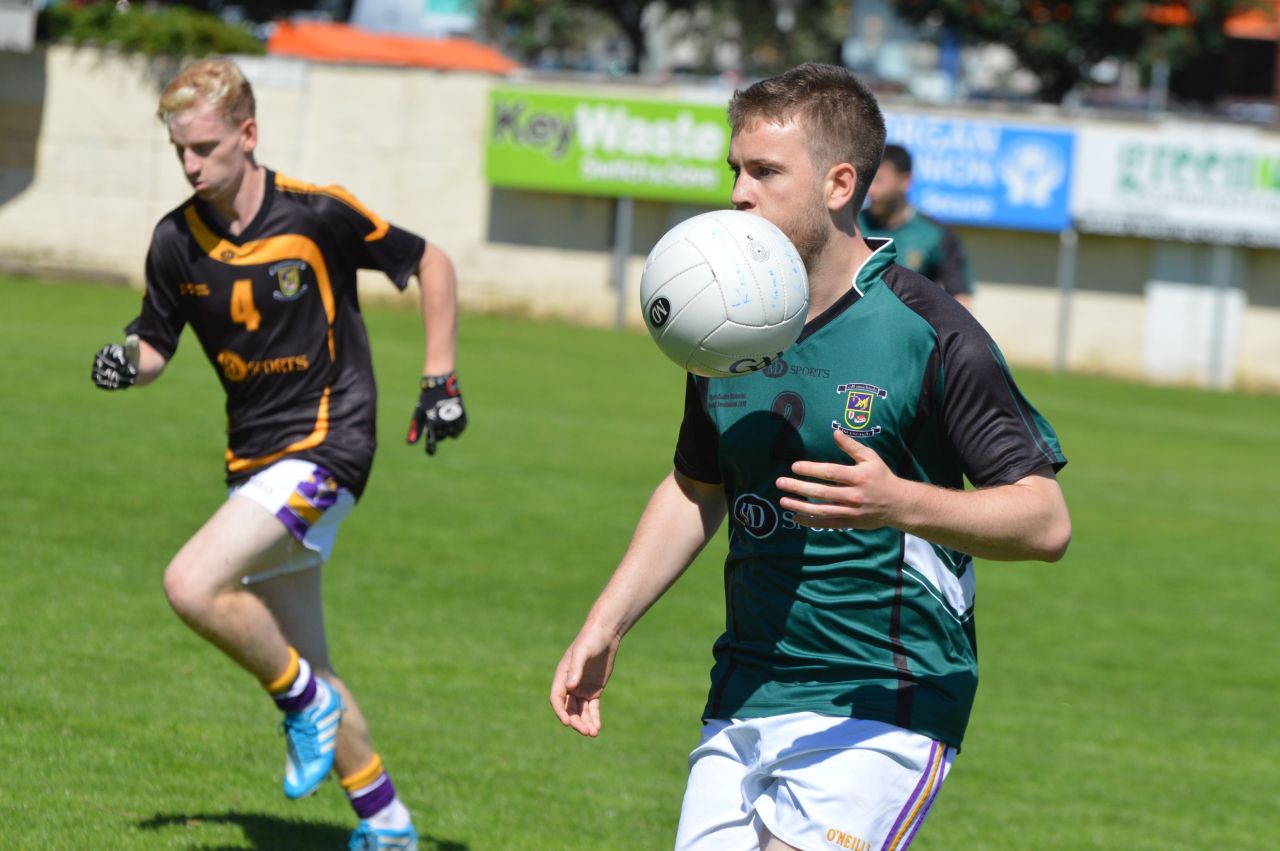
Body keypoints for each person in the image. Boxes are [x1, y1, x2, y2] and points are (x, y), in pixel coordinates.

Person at [550, 63, 1070, 851]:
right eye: (735, 169)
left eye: (764, 171)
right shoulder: (724, 326)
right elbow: (698, 486)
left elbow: (1044, 518)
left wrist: (902, 502)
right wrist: (606, 621)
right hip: (747, 690)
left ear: (837, 183)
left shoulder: (929, 331)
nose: (738, 193)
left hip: (885, 698)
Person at [91, 57, 467, 851]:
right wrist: (126, 362)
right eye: (179, 152)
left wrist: (440, 376)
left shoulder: (316, 214)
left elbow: (430, 261)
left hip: (330, 443)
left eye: (204, 148)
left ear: (248, 134)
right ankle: (388, 822)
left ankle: (299, 702)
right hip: (253, 463)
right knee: (310, 660)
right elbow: (155, 343)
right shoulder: (174, 241)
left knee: (190, 583)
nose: (191, 165)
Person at [859, 143, 975, 310]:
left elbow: (961, 302)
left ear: (905, 181)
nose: (871, 190)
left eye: (879, 180)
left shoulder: (936, 235)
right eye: (869, 180)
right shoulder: (851, 226)